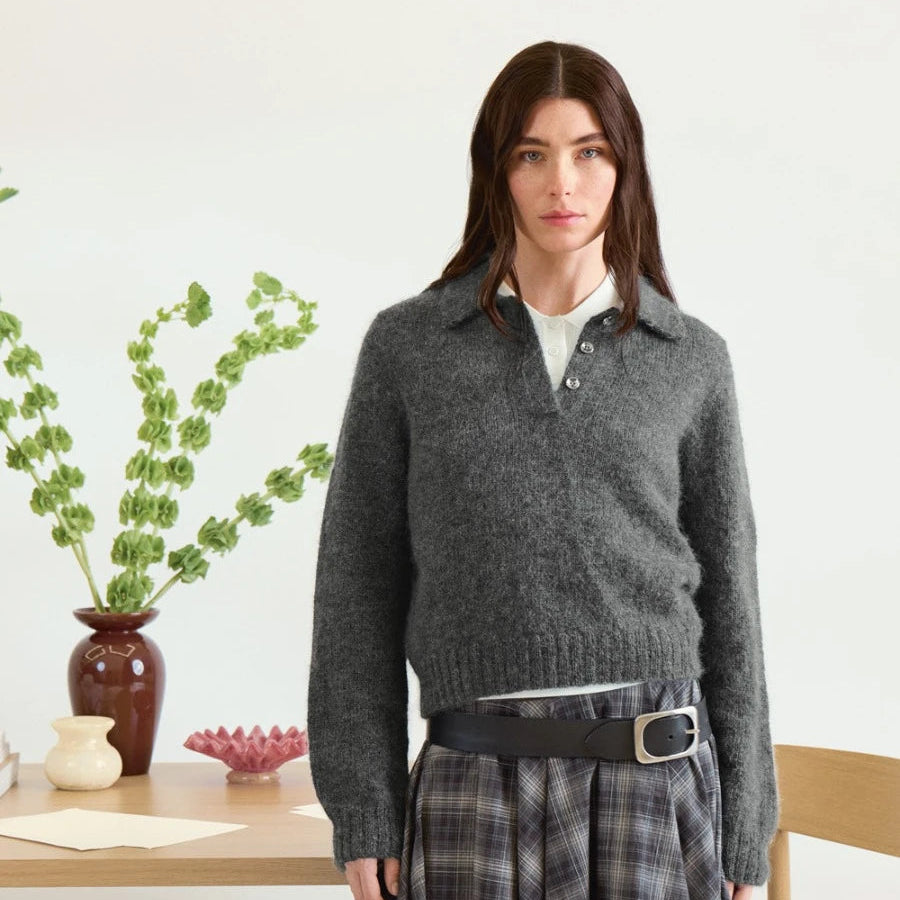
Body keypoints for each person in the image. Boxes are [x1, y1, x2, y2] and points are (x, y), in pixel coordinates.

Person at [307, 40, 779, 900]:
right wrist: (363, 809)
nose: (562, 183)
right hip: (470, 786)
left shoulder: (692, 359)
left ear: (623, 168)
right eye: (533, 154)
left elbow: (733, 609)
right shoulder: (410, 349)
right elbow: (355, 592)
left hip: (657, 787)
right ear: (497, 172)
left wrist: (746, 830)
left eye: (589, 152)